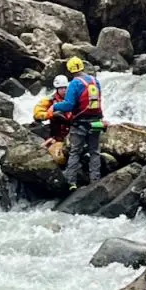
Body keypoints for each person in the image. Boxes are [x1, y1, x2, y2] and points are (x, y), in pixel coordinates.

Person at [50, 56, 104, 190]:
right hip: (96, 122)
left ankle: (71, 182)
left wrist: (55, 107)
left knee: (75, 152)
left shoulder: (75, 83)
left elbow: (69, 105)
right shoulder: (95, 81)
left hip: (80, 123)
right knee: (94, 152)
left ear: (70, 70)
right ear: (82, 66)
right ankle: (95, 181)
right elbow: (98, 101)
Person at [33, 75, 71, 145]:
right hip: (56, 132)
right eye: (61, 88)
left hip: (71, 131)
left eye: (65, 88)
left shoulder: (72, 100)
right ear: (57, 89)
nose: (64, 90)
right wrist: (51, 114)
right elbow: (37, 114)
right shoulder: (49, 100)